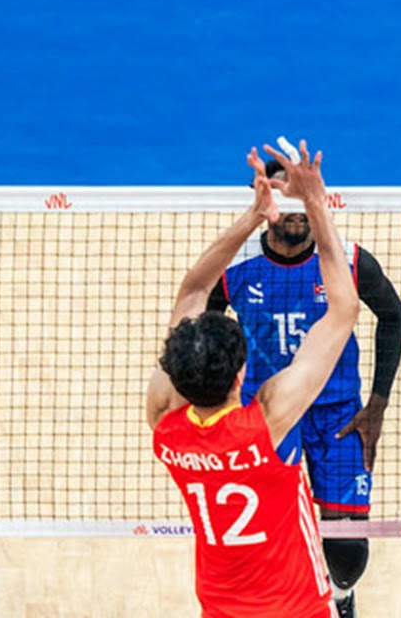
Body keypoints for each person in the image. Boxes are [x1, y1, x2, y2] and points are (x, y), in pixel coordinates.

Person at [146, 140, 358, 617]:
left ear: (177, 376)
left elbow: (195, 291)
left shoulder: (166, 428)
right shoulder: (267, 423)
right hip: (298, 608)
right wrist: (314, 204)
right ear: (243, 373)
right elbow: (343, 309)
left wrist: (255, 216)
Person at [206, 157, 401, 618]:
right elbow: (207, 322)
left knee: (347, 547)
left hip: (339, 416)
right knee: (270, 534)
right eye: (284, 199)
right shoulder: (236, 270)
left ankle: (341, 597)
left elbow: (392, 316)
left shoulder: (347, 260)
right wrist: (225, 402)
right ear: (266, 201)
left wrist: (377, 403)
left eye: (302, 199)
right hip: (267, 420)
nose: (295, 211)